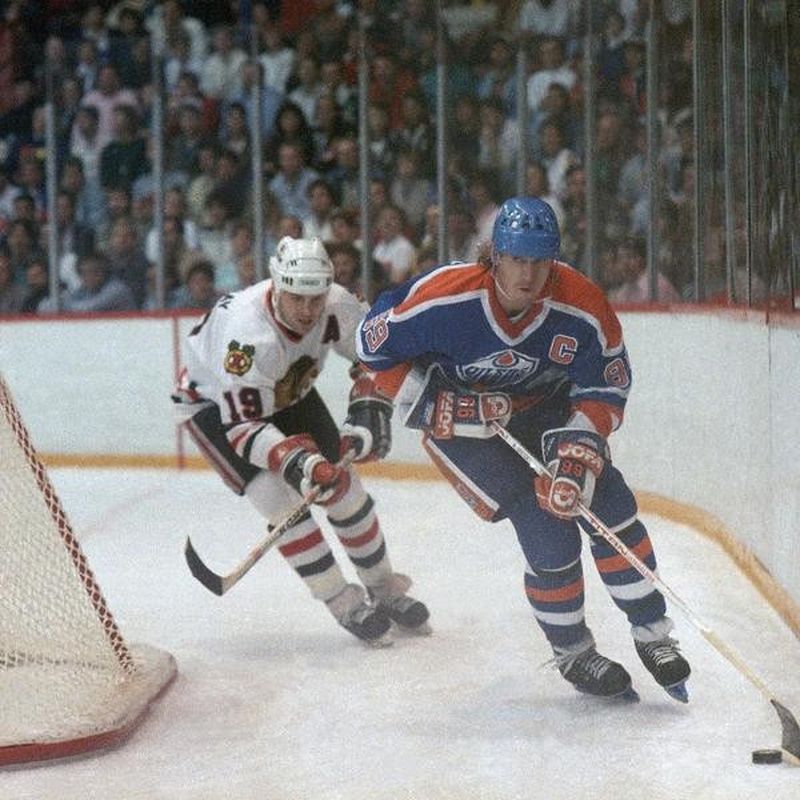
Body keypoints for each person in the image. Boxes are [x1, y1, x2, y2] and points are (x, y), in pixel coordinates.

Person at [354, 197, 692, 699]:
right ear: (494, 256)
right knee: (545, 526)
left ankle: (652, 634)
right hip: (465, 431)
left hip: (548, 410)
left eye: (540, 261)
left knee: (610, 505)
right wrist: (435, 405)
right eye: (517, 259)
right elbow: (371, 350)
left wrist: (576, 453)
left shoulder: (581, 305)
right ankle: (573, 653)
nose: (528, 274)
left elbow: (606, 386)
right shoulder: (443, 299)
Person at [172, 236, 430, 645]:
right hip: (215, 407)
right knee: (282, 501)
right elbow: (243, 428)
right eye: (297, 299)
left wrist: (369, 407)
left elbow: (379, 356)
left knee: (347, 493)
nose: (309, 311)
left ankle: (384, 589)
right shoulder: (247, 336)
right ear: (276, 285)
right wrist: (300, 464)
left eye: (316, 298)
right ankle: (342, 601)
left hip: (288, 388)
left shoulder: (337, 304)